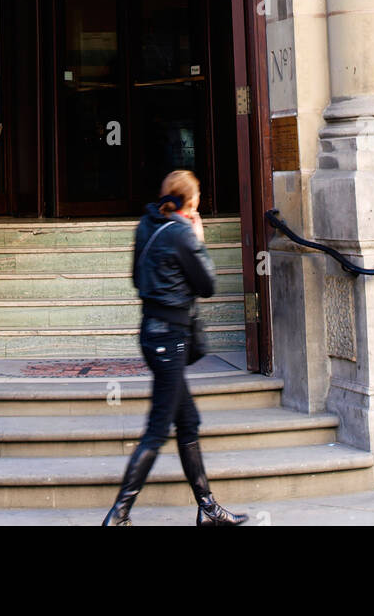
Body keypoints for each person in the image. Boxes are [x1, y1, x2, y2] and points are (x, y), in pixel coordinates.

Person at [102, 169, 248, 526]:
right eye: (197, 200)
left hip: (152, 334)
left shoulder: (146, 225)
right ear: (189, 202)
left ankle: (208, 509)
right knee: (156, 430)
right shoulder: (183, 233)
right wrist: (198, 239)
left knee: (188, 422)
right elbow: (208, 285)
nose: (199, 206)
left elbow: (137, 278)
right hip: (171, 338)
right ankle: (118, 515)